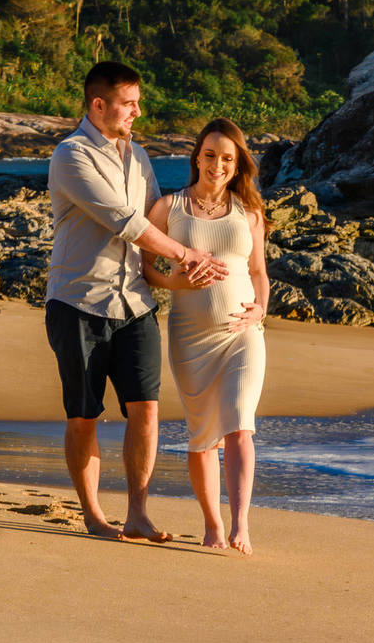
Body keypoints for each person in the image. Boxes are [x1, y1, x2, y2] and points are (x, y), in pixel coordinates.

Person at [45, 61, 228, 541]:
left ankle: (138, 513)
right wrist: (188, 254)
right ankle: (93, 516)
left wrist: (188, 270)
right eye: (129, 104)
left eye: (137, 103)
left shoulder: (139, 157)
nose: (137, 112)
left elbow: (156, 227)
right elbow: (126, 222)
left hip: (135, 303)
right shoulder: (71, 155)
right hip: (78, 303)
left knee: (146, 409)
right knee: (85, 415)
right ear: (98, 104)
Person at [143, 117, 269, 555]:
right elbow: (148, 269)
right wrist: (179, 283)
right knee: (201, 436)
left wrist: (260, 309)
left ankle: (241, 525)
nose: (218, 165)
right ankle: (212, 525)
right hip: (190, 336)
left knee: (239, 425)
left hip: (242, 332)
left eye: (228, 158)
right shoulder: (168, 208)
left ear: (238, 165)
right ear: (197, 156)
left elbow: (258, 273)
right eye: (211, 155)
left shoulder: (249, 211)